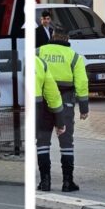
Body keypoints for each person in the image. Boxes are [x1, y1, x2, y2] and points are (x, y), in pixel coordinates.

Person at [39, 28, 89, 192]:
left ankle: (45, 182)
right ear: (67, 38)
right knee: (66, 143)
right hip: (65, 103)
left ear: (52, 36)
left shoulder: (38, 52)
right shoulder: (74, 56)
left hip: (43, 104)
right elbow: (81, 83)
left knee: (42, 143)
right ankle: (68, 183)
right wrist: (84, 107)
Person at [35, 56, 64, 191]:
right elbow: (53, 94)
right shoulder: (39, 63)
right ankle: (45, 181)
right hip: (40, 109)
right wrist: (60, 121)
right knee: (42, 145)